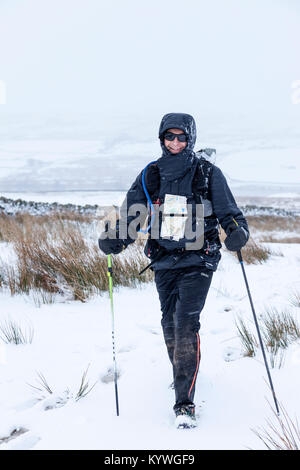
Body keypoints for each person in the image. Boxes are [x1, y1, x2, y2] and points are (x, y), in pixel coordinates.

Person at [98, 113, 249, 429]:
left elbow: (231, 214)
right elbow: (131, 217)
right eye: (170, 137)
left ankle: (185, 404)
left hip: (199, 259)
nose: (176, 143)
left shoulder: (208, 173)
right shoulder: (150, 174)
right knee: (168, 323)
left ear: (191, 138)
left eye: (182, 137)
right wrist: (114, 238)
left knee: (184, 323)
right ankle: (184, 372)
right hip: (164, 261)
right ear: (162, 139)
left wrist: (237, 233)